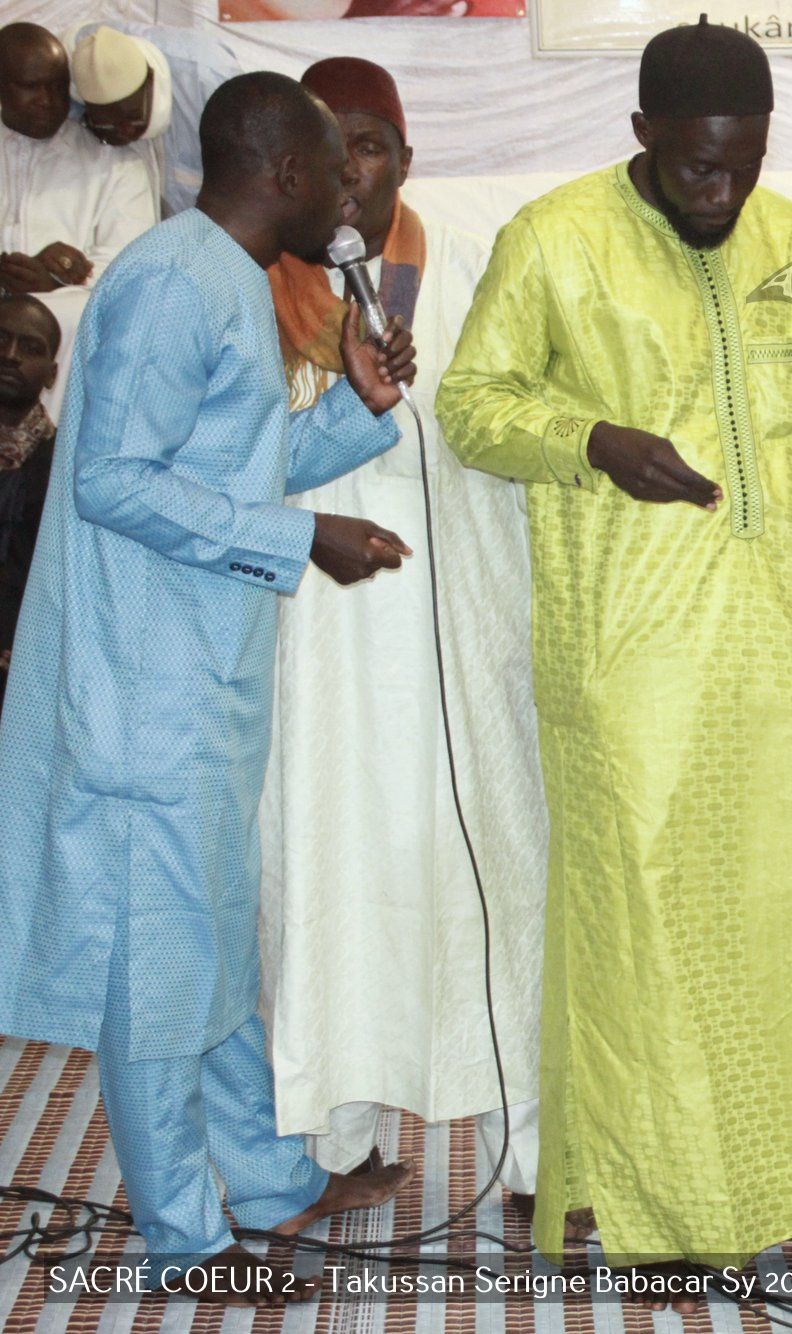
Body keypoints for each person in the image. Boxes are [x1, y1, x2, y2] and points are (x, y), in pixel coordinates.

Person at [435, 20, 792, 1307]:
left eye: (743, 161)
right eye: (695, 167)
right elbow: (470, 405)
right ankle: (659, 1204)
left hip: (776, 634)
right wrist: (595, 439)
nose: (721, 189)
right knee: (646, 931)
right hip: (626, 654)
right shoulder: (552, 240)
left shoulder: (789, 237)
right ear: (643, 139)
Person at [0, 70, 416, 1300]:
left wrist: (356, 406)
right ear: (283, 172)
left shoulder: (227, 280)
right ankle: (188, 1240)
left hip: (204, 675)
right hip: (144, 693)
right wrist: (306, 543)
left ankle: (274, 1180)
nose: (352, 193)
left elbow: (235, 460)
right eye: (337, 170)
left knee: (213, 941)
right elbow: (113, 480)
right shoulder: (176, 282)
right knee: (156, 969)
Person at [257, 56, 543, 1200]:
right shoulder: (256, 288)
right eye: (328, 147)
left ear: (405, 160)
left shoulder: (469, 268)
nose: (349, 169)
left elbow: (507, 420)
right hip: (318, 650)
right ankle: (339, 1137)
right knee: (329, 868)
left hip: (459, 633)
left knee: (491, 868)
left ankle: (529, 1149)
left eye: (369, 144)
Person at [0, 22, 155, 295]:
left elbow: (135, 269)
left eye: (58, 86)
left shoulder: (114, 163)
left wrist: (59, 285)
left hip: (71, 331)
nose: (46, 100)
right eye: (31, 86)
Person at [70, 20, 241, 217]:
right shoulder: (82, 60)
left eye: (132, 117)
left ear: (150, 80)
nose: (125, 131)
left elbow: (250, 183)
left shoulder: (209, 79)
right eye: (110, 124)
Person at [0, 293, 57, 703]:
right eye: (1, 339)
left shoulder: (64, 464)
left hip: (24, 665)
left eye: (30, 348)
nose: (11, 356)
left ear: (52, 374)